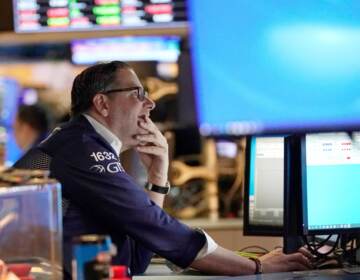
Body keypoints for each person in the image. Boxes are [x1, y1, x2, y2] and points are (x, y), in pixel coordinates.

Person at [14, 61, 312, 278]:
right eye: (138, 93)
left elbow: (136, 258)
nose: (151, 104)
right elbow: (161, 231)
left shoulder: (83, 143)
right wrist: (258, 267)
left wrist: (158, 177)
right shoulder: (81, 148)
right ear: (102, 104)